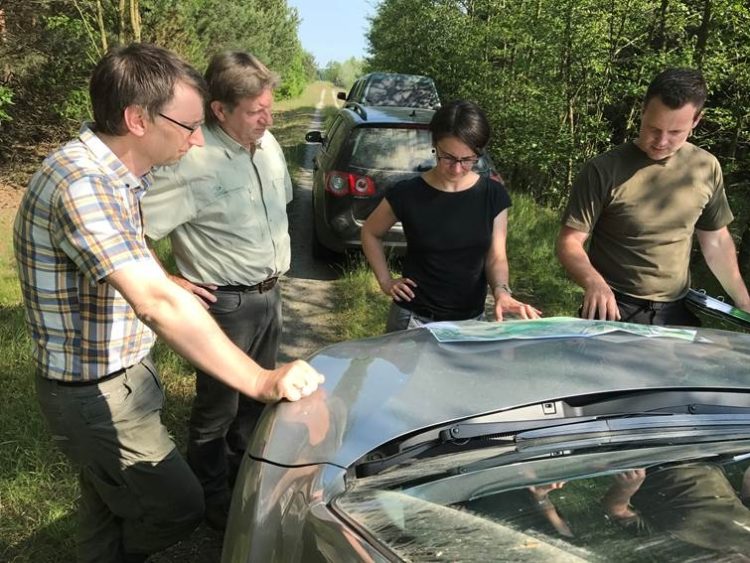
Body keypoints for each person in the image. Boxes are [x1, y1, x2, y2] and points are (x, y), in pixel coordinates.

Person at [13, 43, 322, 563]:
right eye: (187, 126)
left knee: (108, 508)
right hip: (95, 393)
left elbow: (133, 255)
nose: (198, 139)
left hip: (122, 379)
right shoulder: (82, 183)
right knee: (177, 507)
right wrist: (262, 380)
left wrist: (162, 277)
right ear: (137, 119)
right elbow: (154, 303)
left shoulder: (116, 177)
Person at [140, 51, 293, 531]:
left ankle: (245, 479)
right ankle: (211, 503)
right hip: (224, 304)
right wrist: (168, 279)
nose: (266, 119)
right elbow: (131, 229)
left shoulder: (268, 146)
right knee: (217, 410)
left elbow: (281, 206)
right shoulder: (190, 160)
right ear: (220, 110)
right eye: (254, 111)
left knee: (259, 400)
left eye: (269, 107)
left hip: (271, 295)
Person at [557, 68, 750, 325]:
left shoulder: (706, 168)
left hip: (675, 310)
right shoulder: (602, 170)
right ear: (642, 110)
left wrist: (743, 300)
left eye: (675, 133)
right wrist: (594, 283)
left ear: (696, 121)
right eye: (653, 128)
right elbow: (569, 243)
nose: (661, 141)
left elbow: (715, 242)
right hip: (613, 307)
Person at [361, 100, 541, 332]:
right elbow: (370, 232)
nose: (457, 168)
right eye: (448, 157)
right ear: (435, 145)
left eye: (467, 160)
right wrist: (385, 281)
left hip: (470, 322)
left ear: (479, 152)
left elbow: (496, 256)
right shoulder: (407, 192)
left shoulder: (492, 195)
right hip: (412, 319)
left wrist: (502, 292)